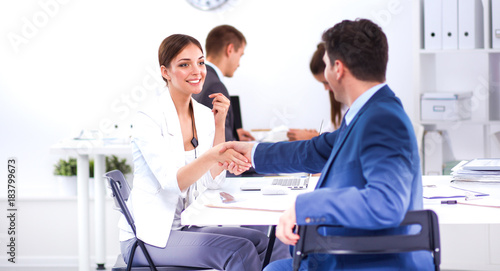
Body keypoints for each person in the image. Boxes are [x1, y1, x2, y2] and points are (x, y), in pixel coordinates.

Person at [221, 19, 432, 270]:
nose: (327, 79)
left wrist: (305, 206)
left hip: (368, 261)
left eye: (326, 66)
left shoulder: (383, 121)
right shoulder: (368, 114)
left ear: (338, 68)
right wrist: (253, 152)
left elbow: (385, 203)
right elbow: (314, 150)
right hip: (350, 254)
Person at [118, 34, 268, 270]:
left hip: (187, 224)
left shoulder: (203, 115)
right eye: (184, 64)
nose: (196, 70)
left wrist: (220, 125)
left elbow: (213, 181)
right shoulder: (148, 118)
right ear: (165, 72)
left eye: (200, 62)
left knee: (260, 241)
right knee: (239, 252)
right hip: (151, 236)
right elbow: (171, 182)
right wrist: (213, 155)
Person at [193, 24, 255, 142]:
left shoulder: (200, 79)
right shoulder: (214, 86)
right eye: (240, 55)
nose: (239, 64)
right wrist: (232, 139)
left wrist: (233, 134)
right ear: (230, 49)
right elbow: (221, 145)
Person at [287, 43, 345, 141]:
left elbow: (346, 139)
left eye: (326, 82)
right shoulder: (338, 99)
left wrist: (315, 137)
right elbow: (334, 127)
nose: (326, 88)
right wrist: (316, 134)